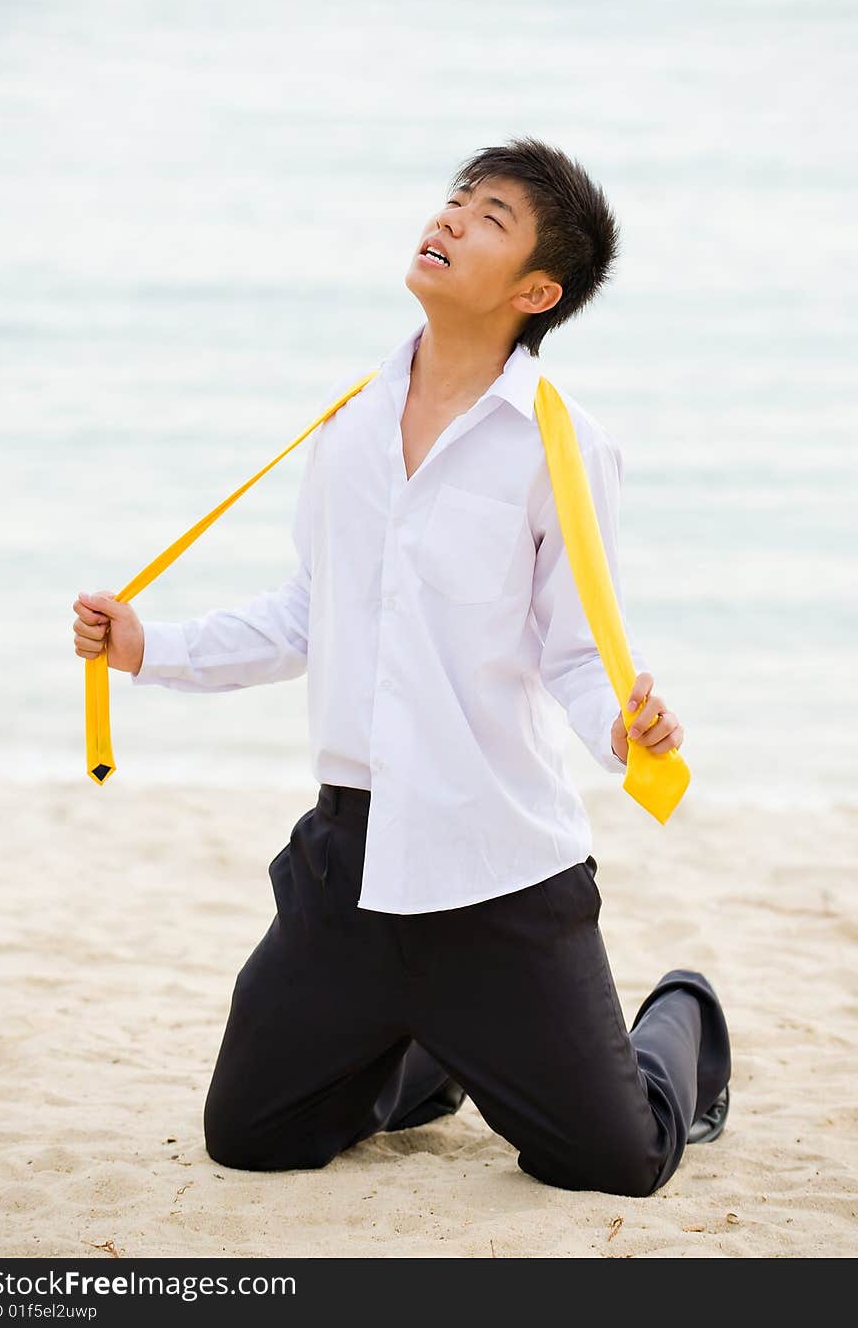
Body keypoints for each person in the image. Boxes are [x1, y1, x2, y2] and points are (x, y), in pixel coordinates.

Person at [71, 136, 730, 1196]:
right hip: (350, 861)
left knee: (617, 1160)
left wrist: (623, 722)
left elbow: (574, 647)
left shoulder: (560, 447)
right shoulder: (347, 427)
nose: (452, 218)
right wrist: (150, 648)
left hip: (498, 867)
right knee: (251, 1133)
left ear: (536, 289)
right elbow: (302, 614)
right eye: (456, 200)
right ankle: (430, 1048)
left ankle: (679, 1018)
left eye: (491, 218)